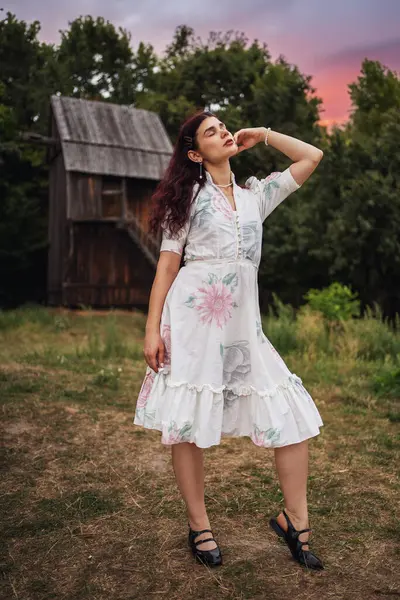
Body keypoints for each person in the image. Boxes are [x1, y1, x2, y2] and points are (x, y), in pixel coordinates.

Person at [133, 111, 325, 570]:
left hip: (244, 326)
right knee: (186, 423)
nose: (223, 131)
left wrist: (266, 135)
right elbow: (166, 267)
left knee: (291, 415)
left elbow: (312, 156)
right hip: (193, 322)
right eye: (210, 131)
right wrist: (151, 328)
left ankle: (294, 522)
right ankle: (199, 526)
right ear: (196, 153)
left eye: (224, 126)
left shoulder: (255, 196)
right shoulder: (187, 199)